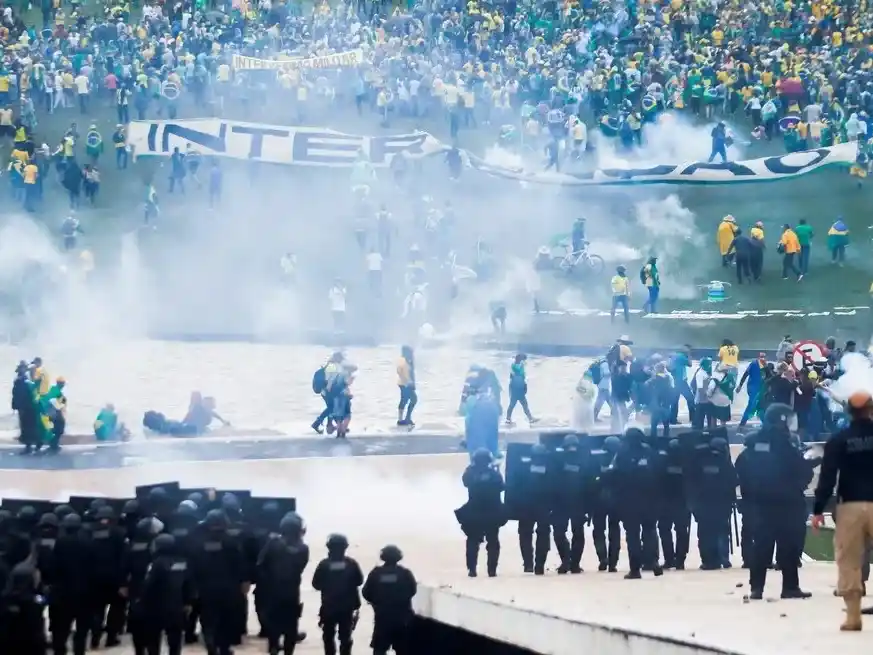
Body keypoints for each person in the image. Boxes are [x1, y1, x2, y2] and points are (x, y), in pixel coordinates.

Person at [735, 404, 813, 601]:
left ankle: (756, 588)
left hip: (761, 504)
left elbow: (742, 467)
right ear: (782, 420)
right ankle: (790, 587)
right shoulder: (785, 443)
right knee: (789, 547)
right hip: (787, 503)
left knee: (761, 547)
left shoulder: (754, 443)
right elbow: (800, 469)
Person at [812, 391, 873, 630]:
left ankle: (853, 617)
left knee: (849, 560)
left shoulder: (839, 440)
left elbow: (827, 477)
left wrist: (818, 509)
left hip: (850, 506)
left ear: (848, 411)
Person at [609, 428, 663, 578]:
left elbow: (614, 475)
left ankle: (635, 569)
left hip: (630, 501)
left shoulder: (622, 454)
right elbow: (660, 473)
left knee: (633, 535)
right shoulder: (650, 452)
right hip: (650, 500)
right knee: (650, 531)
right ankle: (653, 562)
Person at [257, 512, 309, 655]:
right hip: (292, 592)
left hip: (272, 591)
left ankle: (273, 647)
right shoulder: (303, 548)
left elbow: (260, 564)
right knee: (291, 626)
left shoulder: (273, 543)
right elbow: (300, 568)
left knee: (273, 622)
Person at [136, 533, 192, 655]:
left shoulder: (157, 563)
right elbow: (188, 583)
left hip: (157, 607)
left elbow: (149, 585)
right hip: (177, 606)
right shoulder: (183, 562)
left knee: (153, 638)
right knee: (175, 638)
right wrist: (188, 602)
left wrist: (141, 602)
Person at [311, 534, 364, 655]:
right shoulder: (351, 563)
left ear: (329, 547)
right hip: (347, 607)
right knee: (345, 636)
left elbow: (316, 585)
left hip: (329, 606)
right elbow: (359, 581)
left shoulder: (324, 564)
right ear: (345, 547)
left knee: (328, 636)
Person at [456, 448, 505, 577]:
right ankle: (492, 570)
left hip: (474, 512)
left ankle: (472, 570)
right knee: (493, 542)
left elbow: (465, 482)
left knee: (472, 541)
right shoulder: (494, 474)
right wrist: (496, 470)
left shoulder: (470, 473)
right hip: (492, 512)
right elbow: (502, 487)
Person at [362, 545, 417, 655]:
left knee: (379, 649)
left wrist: (377, 602)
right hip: (402, 618)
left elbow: (366, 593)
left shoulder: (376, 573)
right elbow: (412, 590)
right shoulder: (405, 573)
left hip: (382, 617)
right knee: (402, 649)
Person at [506, 353, 537, 425]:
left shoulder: (513, 366)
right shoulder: (520, 367)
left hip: (514, 387)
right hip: (519, 388)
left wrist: (510, 389)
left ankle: (508, 419)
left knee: (512, 404)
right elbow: (522, 377)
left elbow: (511, 378)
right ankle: (530, 419)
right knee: (524, 404)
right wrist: (525, 387)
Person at [396, 346, 416, 427]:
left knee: (412, 399)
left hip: (409, 384)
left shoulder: (410, 360)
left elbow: (412, 373)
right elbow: (399, 372)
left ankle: (406, 418)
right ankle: (401, 420)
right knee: (406, 400)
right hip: (404, 384)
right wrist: (407, 381)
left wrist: (413, 383)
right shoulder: (402, 360)